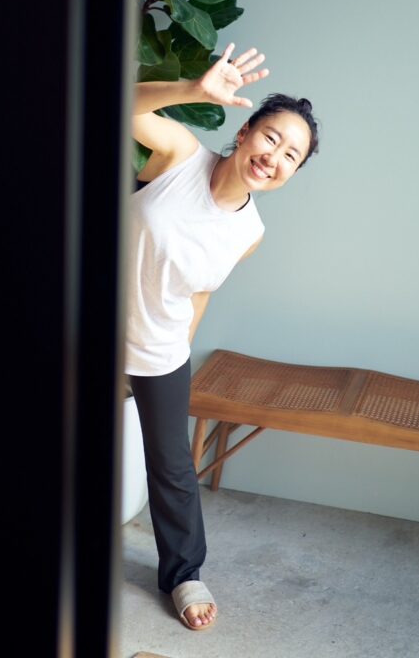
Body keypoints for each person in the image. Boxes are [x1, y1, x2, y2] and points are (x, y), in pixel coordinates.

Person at [124, 41, 320, 631]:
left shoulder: (249, 234)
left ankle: (184, 573)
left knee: (173, 469)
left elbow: (198, 291)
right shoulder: (180, 155)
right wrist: (193, 91)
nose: (274, 156)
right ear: (243, 132)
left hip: (158, 348)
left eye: (291, 155)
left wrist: (178, 350)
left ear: (291, 174)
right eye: (270, 137)